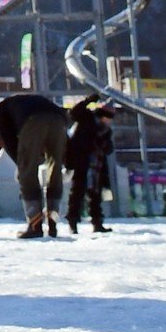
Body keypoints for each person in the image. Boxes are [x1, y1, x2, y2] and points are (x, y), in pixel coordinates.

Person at [0, 93, 69, 238]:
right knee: (55, 170)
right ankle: (53, 224)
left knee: (28, 175)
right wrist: (69, 163)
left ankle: (35, 225)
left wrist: (21, 165)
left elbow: (8, 140)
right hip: (59, 119)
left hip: (33, 121)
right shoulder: (32, 101)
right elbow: (66, 144)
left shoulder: (0, 111)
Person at [64, 96, 115, 235]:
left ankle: (97, 223)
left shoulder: (105, 130)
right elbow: (74, 112)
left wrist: (105, 143)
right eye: (108, 117)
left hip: (96, 166)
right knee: (77, 193)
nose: (108, 121)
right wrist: (88, 100)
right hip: (81, 161)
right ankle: (73, 223)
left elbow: (108, 149)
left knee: (95, 195)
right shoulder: (86, 118)